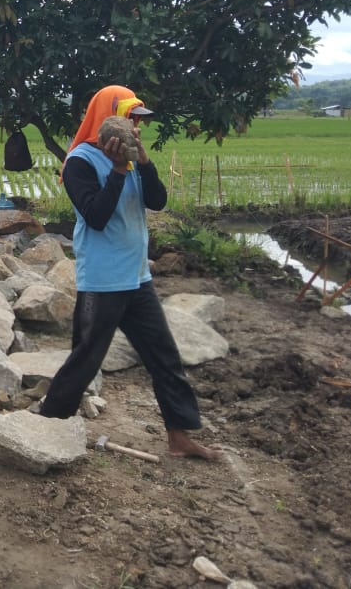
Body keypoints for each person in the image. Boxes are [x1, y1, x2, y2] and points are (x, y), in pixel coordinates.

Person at [39, 85, 222, 460]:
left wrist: (143, 161)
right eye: (131, 119)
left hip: (137, 278)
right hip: (103, 281)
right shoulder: (80, 161)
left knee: (164, 357)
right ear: (109, 117)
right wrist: (119, 169)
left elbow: (157, 201)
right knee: (85, 359)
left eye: (138, 121)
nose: (137, 127)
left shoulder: (135, 159)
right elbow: (97, 216)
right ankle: (44, 430)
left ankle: (180, 436)